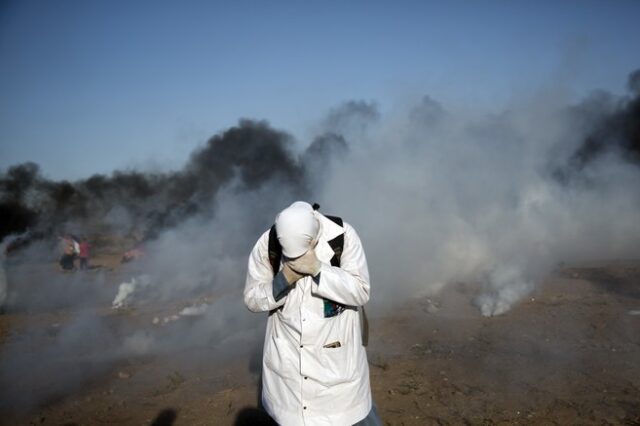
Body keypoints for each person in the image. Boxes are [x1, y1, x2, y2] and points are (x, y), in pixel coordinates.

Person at [244, 201, 381, 426]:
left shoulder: (343, 236)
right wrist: (283, 280)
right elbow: (252, 298)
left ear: (314, 236)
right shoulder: (267, 244)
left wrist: (318, 269)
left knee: (353, 417)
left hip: (339, 374)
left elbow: (361, 291)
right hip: (287, 373)